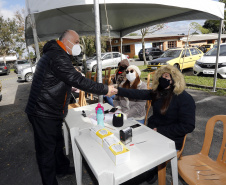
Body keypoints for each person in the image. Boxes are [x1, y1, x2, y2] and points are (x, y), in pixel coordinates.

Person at [25, 30, 115, 185]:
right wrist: (105, 89)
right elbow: (77, 79)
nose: (79, 45)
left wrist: (68, 87)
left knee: (57, 143)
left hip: (49, 109)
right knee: (46, 151)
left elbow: (57, 79)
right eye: (77, 41)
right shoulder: (58, 56)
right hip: (42, 111)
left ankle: (61, 168)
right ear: (66, 42)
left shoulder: (55, 53)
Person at [114, 65, 195, 184]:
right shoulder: (159, 93)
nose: (163, 78)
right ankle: (148, 173)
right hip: (152, 133)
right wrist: (117, 89)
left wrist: (160, 130)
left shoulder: (184, 98)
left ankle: (143, 175)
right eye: (161, 76)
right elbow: (138, 94)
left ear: (174, 79)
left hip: (170, 139)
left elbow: (188, 126)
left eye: (166, 76)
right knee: (131, 148)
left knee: (141, 165)